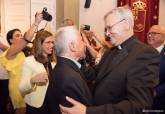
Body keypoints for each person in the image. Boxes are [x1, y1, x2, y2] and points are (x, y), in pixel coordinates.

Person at [60, 6, 160, 114]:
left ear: (125, 24)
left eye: (109, 28)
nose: (107, 33)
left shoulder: (144, 54)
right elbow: (94, 74)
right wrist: (72, 58)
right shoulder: (110, 51)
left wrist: (88, 111)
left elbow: (138, 105)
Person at [0, 12, 43, 114]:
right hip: (18, 89)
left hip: (27, 86)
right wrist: (36, 22)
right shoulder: (10, 52)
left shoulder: (21, 51)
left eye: (21, 34)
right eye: (17, 35)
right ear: (10, 40)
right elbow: (27, 39)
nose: (20, 37)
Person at [44, 26, 92, 114]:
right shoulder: (70, 77)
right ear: (72, 46)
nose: (84, 44)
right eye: (81, 40)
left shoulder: (63, 68)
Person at [19, 30, 56, 114]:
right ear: (39, 44)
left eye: (53, 42)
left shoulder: (54, 61)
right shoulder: (29, 61)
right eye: (48, 42)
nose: (52, 45)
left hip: (53, 103)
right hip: (37, 106)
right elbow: (21, 88)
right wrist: (32, 80)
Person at [147, 25, 165, 110]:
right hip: (140, 100)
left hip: (160, 101)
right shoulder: (142, 52)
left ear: (163, 36)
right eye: (149, 33)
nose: (150, 36)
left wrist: (156, 92)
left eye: (154, 33)